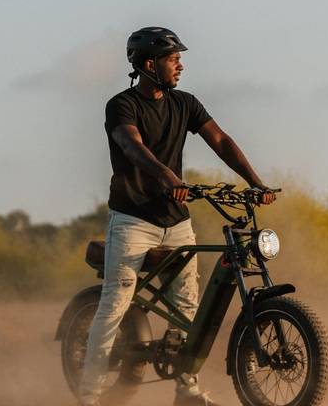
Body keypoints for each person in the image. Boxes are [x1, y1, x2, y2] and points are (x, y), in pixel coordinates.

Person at [78, 27, 276, 406]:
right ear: (150, 64)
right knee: (116, 302)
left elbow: (220, 140)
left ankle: (186, 389)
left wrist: (255, 183)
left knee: (187, 304)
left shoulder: (185, 103)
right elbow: (131, 146)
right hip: (132, 220)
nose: (180, 65)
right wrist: (168, 177)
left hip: (175, 220)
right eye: (173, 59)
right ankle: (89, 394)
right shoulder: (121, 105)